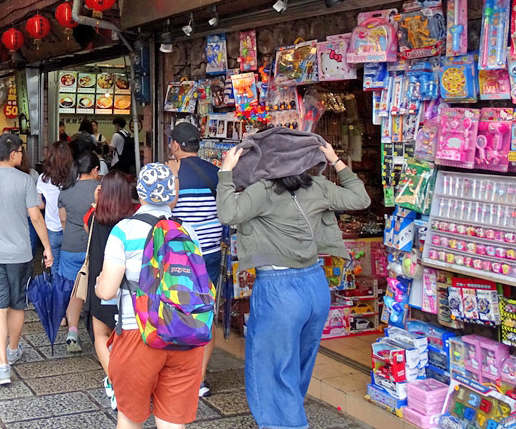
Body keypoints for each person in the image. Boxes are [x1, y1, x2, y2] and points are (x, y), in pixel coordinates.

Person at [216, 129, 370, 429]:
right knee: (298, 365)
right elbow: (360, 198)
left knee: (272, 370)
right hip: (315, 287)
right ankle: (290, 417)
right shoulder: (317, 185)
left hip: (279, 291)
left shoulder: (262, 191)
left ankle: (289, 424)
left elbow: (227, 213)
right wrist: (335, 159)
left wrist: (225, 172)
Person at [96, 163, 207, 429]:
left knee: (131, 418)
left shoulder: (123, 230)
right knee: (171, 422)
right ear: (173, 195)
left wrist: (100, 284)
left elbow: (107, 291)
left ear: (140, 194)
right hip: (184, 333)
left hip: (139, 334)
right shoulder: (188, 231)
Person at [0, 132, 52, 386]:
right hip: (20, 254)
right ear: (14, 153)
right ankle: (14, 348)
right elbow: (36, 217)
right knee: (17, 305)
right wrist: (47, 248)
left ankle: (2, 365)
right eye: (21, 152)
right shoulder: (26, 181)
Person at [165, 121, 221, 397]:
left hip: (180, 253)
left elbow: (165, 208)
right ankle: (199, 378)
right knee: (205, 311)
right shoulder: (217, 172)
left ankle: (177, 372)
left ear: (176, 145)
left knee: (176, 309)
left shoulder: (169, 174)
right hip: (209, 252)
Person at [86, 170, 138, 410]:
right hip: (128, 289)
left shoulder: (94, 217)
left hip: (100, 285)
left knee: (101, 337)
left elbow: (86, 226)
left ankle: (116, 384)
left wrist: (97, 201)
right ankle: (125, 382)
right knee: (125, 338)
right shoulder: (135, 220)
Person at [58, 151, 100, 353]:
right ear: (95, 170)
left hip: (70, 245)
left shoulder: (65, 190)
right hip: (95, 246)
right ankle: (99, 334)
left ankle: (73, 331)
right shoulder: (101, 189)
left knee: (75, 290)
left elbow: (63, 220)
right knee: (95, 289)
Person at [36, 141, 74, 279]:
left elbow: (39, 205)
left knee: (54, 267)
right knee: (70, 266)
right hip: (71, 229)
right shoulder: (73, 179)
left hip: (51, 229)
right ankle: (71, 297)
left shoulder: (43, 179)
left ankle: (58, 296)